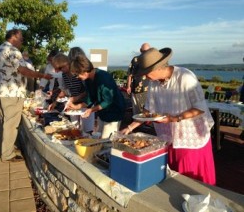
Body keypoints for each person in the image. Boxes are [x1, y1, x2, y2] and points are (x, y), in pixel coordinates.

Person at [121, 47, 216, 185]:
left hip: (190, 138)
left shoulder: (185, 77)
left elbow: (200, 108)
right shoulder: (153, 82)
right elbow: (148, 111)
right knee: (173, 177)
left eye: (147, 73)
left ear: (158, 68)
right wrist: (129, 128)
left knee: (190, 181)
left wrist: (174, 118)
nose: (145, 77)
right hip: (169, 137)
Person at [0, 28, 52, 162]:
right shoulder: (13, 51)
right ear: (13, 37)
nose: (22, 41)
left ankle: (8, 147)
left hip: (1, 92)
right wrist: (42, 75)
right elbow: (23, 70)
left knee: (7, 122)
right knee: (11, 124)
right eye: (21, 39)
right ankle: (7, 154)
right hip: (12, 92)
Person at [67, 54, 126, 139]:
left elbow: (107, 101)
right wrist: (75, 107)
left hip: (114, 111)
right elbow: (90, 99)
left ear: (84, 71)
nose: (77, 78)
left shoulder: (103, 77)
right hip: (103, 112)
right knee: (100, 136)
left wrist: (91, 110)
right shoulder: (87, 80)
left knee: (107, 139)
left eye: (77, 75)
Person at [49, 50, 95, 133]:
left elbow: (88, 91)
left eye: (60, 68)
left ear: (67, 63)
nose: (59, 70)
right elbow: (64, 89)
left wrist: (75, 98)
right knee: (74, 129)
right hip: (73, 104)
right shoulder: (64, 75)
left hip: (86, 103)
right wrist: (55, 102)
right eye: (57, 69)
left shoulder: (77, 72)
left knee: (87, 130)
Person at [126, 43, 151, 114]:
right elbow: (130, 74)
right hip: (136, 89)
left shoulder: (151, 60)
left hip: (148, 90)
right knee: (138, 111)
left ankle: (141, 124)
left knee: (144, 111)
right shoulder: (135, 60)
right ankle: (138, 124)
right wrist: (128, 87)